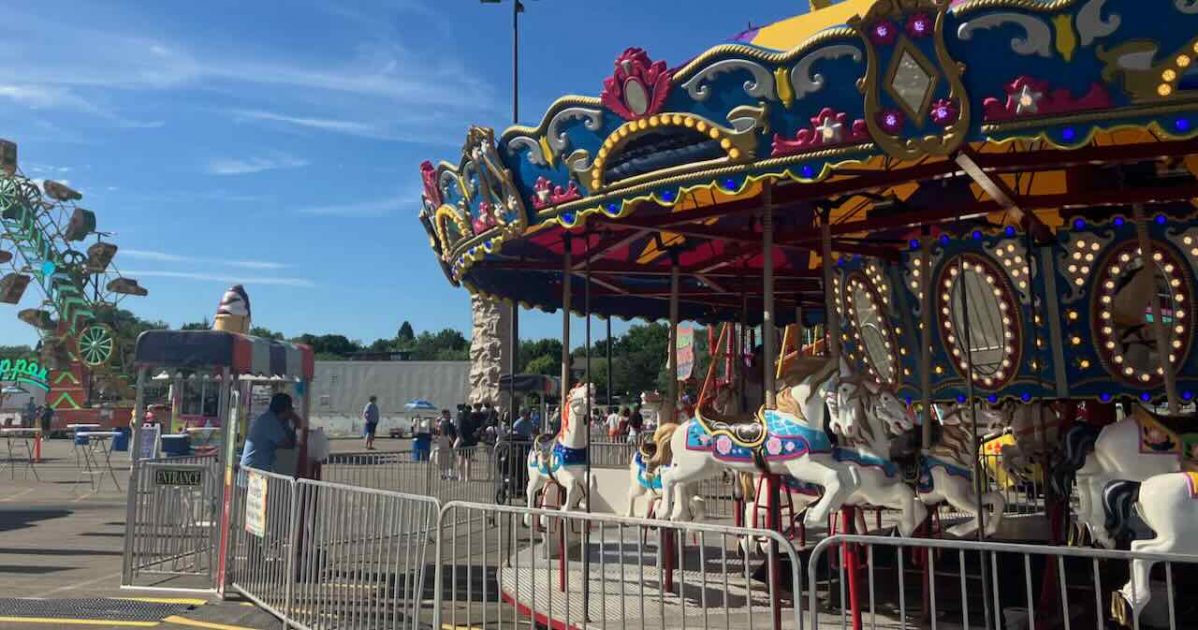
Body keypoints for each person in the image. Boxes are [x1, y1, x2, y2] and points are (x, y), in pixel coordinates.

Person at [240, 393, 300, 473]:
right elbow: (287, 444)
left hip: (259, 469)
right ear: (286, 409)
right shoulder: (270, 421)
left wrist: (294, 423)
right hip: (253, 470)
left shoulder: (280, 421)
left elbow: (298, 427)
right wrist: (294, 423)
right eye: (290, 409)